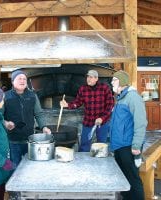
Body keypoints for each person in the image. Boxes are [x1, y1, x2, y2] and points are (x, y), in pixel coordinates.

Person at [110, 70, 147, 200]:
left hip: (129, 145)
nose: (111, 82)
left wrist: (136, 145)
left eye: (114, 80)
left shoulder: (133, 97)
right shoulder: (121, 98)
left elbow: (141, 123)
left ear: (122, 81)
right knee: (124, 176)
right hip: (119, 145)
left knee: (132, 177)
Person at [3, 69, 51, 166]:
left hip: (29, 139)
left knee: (29, 165)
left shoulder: (32, 96)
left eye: (24, 79)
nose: (22, 81)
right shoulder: (5, 97)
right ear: (12, 82)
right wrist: (6, 123)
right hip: (13, 140)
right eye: (19, 78)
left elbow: (39, 113)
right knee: (14, 166)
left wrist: (44, 127)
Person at [60, 69, 114, 152]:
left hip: (102, 122)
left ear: (96, 79)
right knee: (84, 145)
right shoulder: (83, 89)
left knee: (102, 145)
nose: (88, 79)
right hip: (88, 121)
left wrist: (102, 118)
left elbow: (110, 106)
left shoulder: (105, 88)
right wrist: (67, 105)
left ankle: (101, 163)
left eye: (91, 77)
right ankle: (83, 163)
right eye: (88, 77)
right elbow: (77, 103)